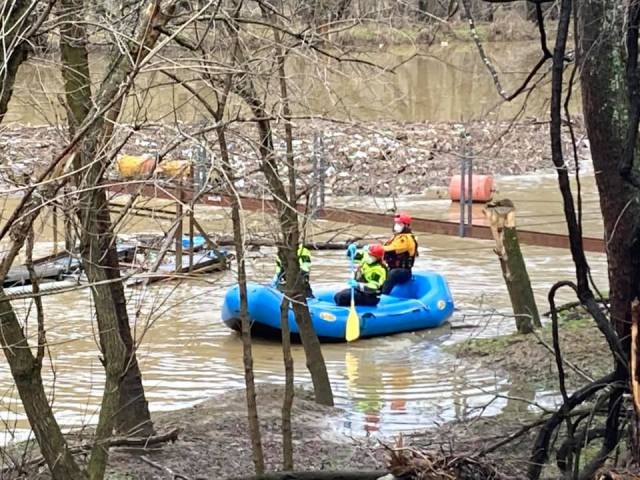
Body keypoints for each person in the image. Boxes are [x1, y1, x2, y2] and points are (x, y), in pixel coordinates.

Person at [381, 212, 418, 295]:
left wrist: (378, 249)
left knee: (392, 274)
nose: (397, 225)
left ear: (406, 225)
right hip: (392, 268)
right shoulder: (396, 237)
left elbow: (393, 249)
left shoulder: (406, 239)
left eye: (400, 224)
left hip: (403, 272)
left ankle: (383, 295)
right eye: (396, 223)